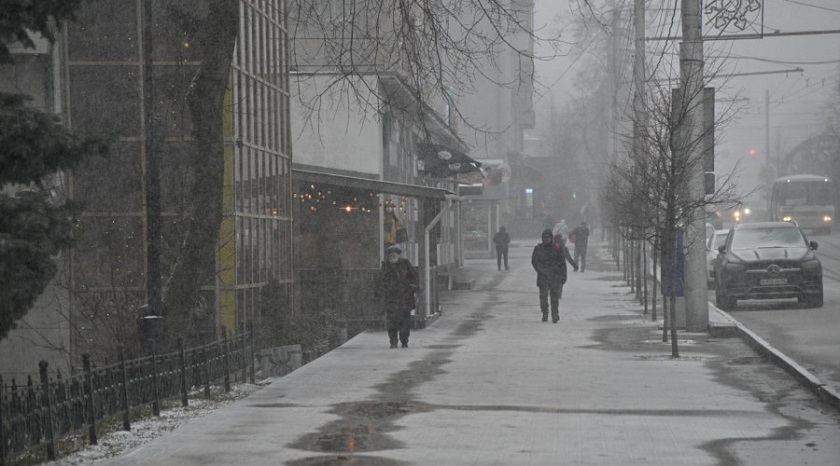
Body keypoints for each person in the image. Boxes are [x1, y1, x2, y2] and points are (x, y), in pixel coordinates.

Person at [375, 245, 419, 348]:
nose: (392, 257)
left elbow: (414, 277)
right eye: (390, 255)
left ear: (399, 255)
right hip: (391, 299)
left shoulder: (406, 264)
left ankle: (404, 341)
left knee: (405, 322)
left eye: (394, 255)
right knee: (392, 322)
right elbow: (380, 281)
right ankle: (393, 341)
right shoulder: (385, 266)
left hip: (405, 298)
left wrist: (411, 287)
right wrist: (383, 292)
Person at [532, 229, 577, 323]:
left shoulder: (557, 248)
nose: (547, 239)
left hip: (554, 276)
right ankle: (545, 312)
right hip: (543, 277)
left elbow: (562, 263)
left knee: (554, 298)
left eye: (548, 237)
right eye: (545, 237)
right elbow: (534, 261)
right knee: (543, 298)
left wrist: (563, 275)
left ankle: (555, 314)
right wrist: (540, 270)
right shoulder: (538, 248)